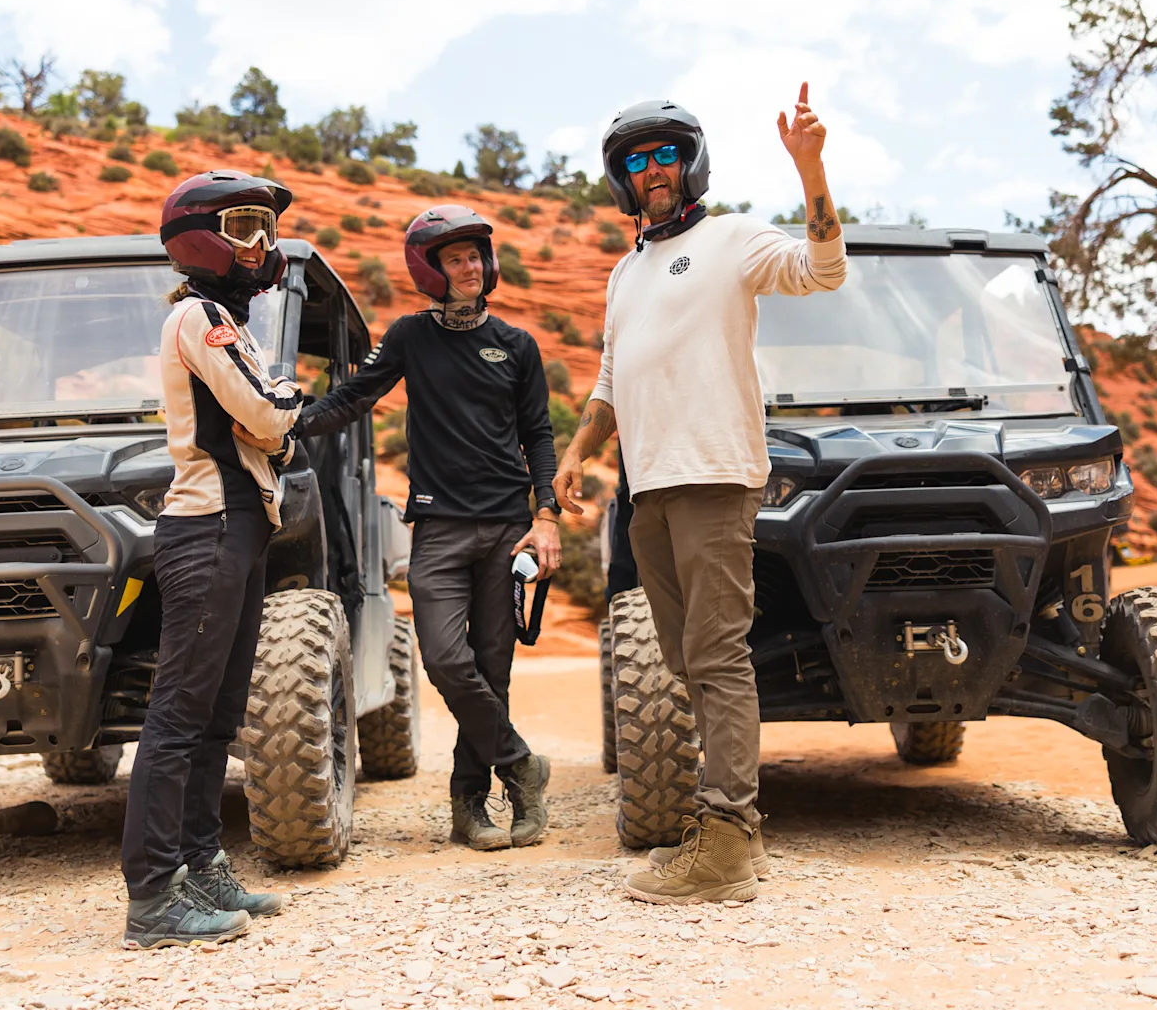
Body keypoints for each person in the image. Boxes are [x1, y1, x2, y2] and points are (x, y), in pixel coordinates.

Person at [555, 84, 847, 904]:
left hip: (715, 475)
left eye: (665, 154)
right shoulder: (625, 273)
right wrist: (578, 450)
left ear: (691, 164)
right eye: (636, 160)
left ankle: (725, 840)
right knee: (688, 660)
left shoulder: (732, 239)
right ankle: (736, 835)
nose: (652, 169)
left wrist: (811, 169)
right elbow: (612, 376)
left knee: (717, 655)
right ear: (622, 179)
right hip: (647, 487)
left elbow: (823, 271)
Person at [298, 205, 560, 851]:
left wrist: (546, 513)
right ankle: (521, 764)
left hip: (507, 526)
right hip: (439, 526)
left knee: (492, 668)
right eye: (455, 258)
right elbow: (356, 395)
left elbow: (538, 434)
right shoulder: (411, 337)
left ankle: (470, 805)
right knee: (444, 656)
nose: (469, 267)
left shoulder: (518, 345)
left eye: (475, 256)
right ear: (430, 270)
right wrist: (288, 424)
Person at [122, 170, 297, 949]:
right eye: (241, 226)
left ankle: (201, 864)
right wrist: (287, 404)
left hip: (241, 525)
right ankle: (153, 896)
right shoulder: (199, 316)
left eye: (265, 227)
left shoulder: (228, 320)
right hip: (209, 526)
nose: (258, 243)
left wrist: (274, 418)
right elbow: (263, 412)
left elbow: (266, 429)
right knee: (179, 714)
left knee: (219, 715)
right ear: (200, 237)